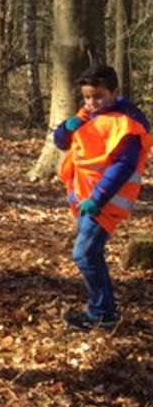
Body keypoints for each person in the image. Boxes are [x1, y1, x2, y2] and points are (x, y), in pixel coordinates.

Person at [53, 64, 151, 332]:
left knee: (84, 254)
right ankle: (106, 311)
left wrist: (98, 198)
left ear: (115, 92)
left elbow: (123, 166)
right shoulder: (88, 115)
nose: (91, 102)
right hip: (86, 198)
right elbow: (62, 142)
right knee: (91, 254)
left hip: (106, 202)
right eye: (86, 97)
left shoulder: (128, 122)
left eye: (98, 96)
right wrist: (65, 128)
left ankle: (100, 314)